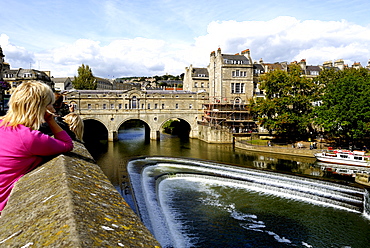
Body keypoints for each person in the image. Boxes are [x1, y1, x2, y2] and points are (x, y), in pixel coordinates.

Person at [0, 81, 74, 214]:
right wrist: (51, 120)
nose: (53, 108)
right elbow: (68, 144)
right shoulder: (29, 137)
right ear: (41, 108)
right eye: (50, 104)